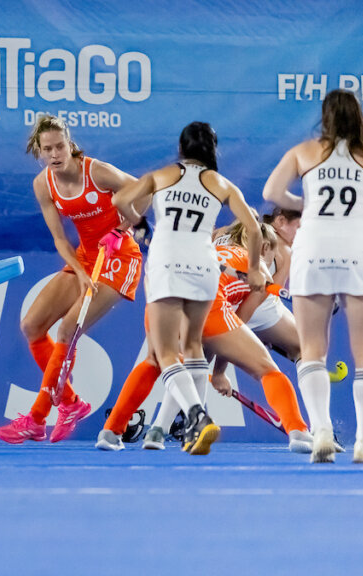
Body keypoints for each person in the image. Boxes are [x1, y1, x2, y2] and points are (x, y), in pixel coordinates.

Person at [263, 89, 363, 464]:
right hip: (358, 252)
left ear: (325, 118)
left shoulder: (305, 152)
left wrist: (305, 203)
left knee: (312, 350)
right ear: (359, 117)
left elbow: (271, 191)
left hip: (313, 250)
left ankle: (321, 432)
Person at [99, 121, 263, 456]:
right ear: (212, 149)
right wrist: (256, 268)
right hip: (205, 268)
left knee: (165, 353)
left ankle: (196, 415)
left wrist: (140, 224)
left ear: (181, 147)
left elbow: (120, 200)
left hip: (168, 265)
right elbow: (256, 230)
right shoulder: (222, 184)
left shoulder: (161, 176)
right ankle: (188, 424)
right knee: (192, 345)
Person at [0, 113, 142, 444]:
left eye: (60, 146)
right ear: (39, 151)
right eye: (47, 149)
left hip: (119, 258)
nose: (55, 154)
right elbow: (60, 240)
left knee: (67, 329)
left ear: (69, 144)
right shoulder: (43, 184)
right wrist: (79, 270)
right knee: (32, 326)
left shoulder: (96, 171)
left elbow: (144, 190)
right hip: (85, 257)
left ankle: (36, 418)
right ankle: (72, 403)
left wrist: (123, 227)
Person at [102, 221, 313, 453]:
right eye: (273, 256)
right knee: (267, 369)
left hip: (163, 294)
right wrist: (220, 372)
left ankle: (117, 431)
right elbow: (238, 323)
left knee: (159, 362)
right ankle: (298, 432)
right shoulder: (259, 266)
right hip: (207, 304)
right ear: (264, 248)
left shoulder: (209, 249)